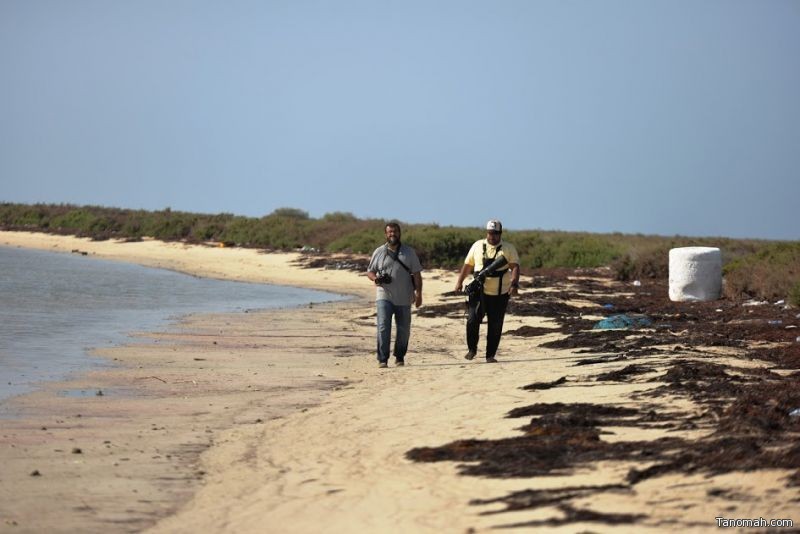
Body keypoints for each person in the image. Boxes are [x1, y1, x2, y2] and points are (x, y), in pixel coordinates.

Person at [454, 219, 520, 363]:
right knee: (472, 320)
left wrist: (514, 284)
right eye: (490, 233)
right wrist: (459, 281)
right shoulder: (477, 245)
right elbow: (467, 265)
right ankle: (472, 349)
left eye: (496, 233)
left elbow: (515, 267)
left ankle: (490, 356)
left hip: (500, 293)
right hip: (478, 292)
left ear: (500, 233)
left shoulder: (508, 248)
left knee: (495, 325)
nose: (492, 236)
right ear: (487, 232)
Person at [367, 222, 423, 368]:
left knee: (403, 329)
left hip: (404, 296)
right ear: (386, 234)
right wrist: (375, 279)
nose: (393, 234)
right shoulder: (379, 251)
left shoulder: (409, 252)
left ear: (400, 233)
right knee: (383, 326)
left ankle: (399, 357)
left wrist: (419, 293)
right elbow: (370, 271)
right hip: (384, 295)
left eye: (395, 232)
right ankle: (382, 359)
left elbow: (417, 274)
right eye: (390, 232)